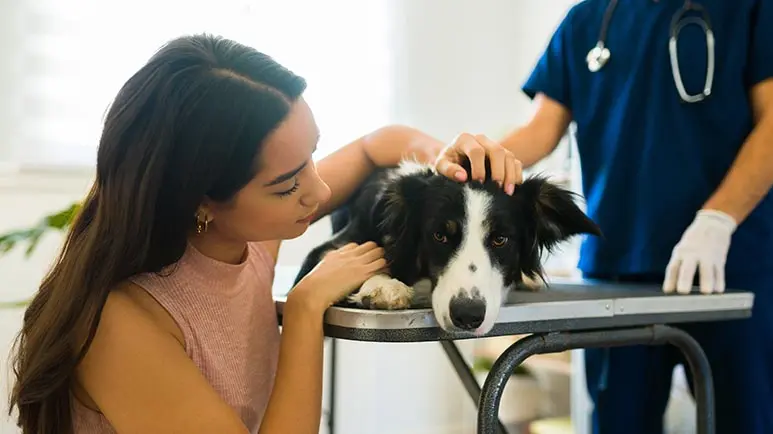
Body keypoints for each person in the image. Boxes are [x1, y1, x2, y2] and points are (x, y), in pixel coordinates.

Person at [7, 33, 450, 434]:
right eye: (288, 185)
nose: (321, 190)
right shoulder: (120, 325)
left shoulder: (244, 240)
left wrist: (449, 157)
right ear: (200, 201)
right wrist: (304, 308)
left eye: (312, 156)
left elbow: (376, 146)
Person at [435, 0, 773, 433]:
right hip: (616, 273)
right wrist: (472, 162)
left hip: (729, 266)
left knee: (744, 420)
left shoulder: (750, 10)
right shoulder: (588, 19)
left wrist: (718, 219)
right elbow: (541, 130)